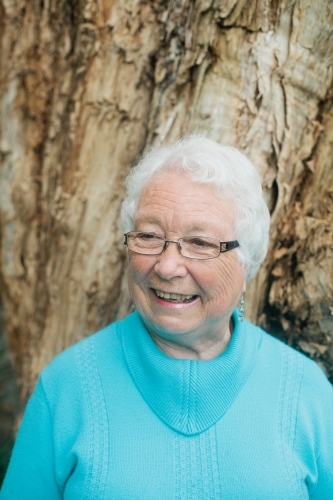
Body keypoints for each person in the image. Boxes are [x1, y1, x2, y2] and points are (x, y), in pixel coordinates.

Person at [1, 136, 332, 499]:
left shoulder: (307, 394)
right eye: (148, 235)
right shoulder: (67, 388)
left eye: (200, 243)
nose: (168, 265)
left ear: (247, 260)